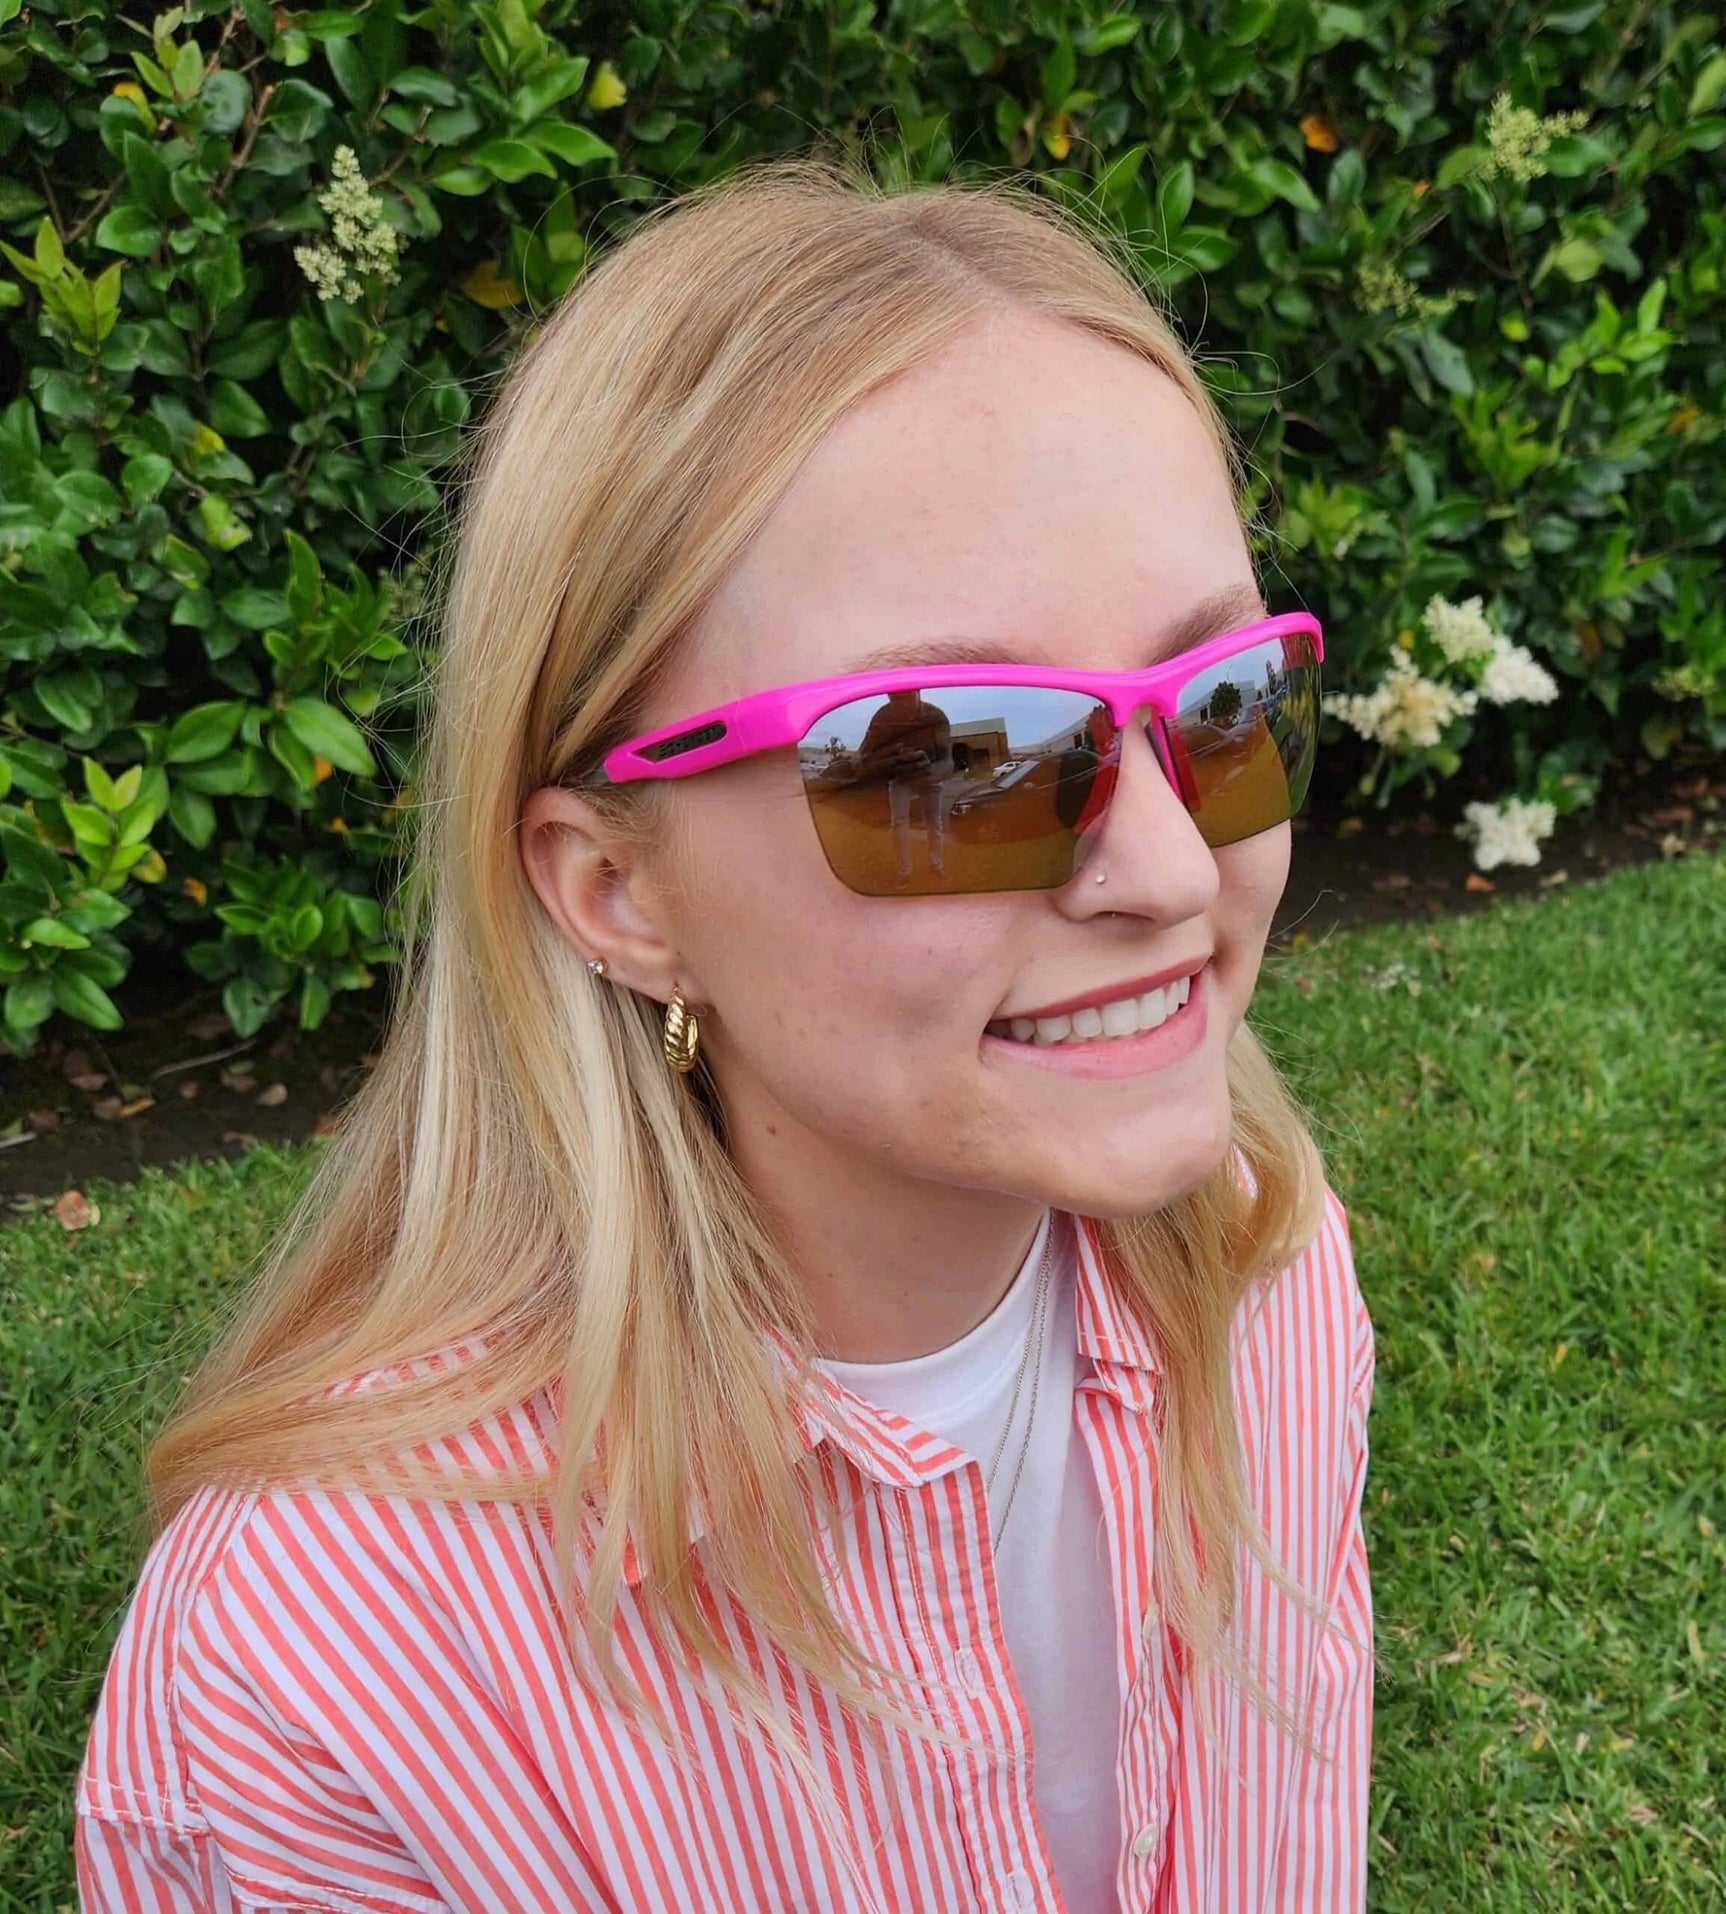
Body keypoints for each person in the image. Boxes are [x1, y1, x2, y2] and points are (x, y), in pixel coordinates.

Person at [75, 155, 1374, 1912]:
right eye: (952, 760)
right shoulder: (327, 1687)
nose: (1164, 865)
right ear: (619, 889)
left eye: (1220, 703)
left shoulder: (1265, 1275)